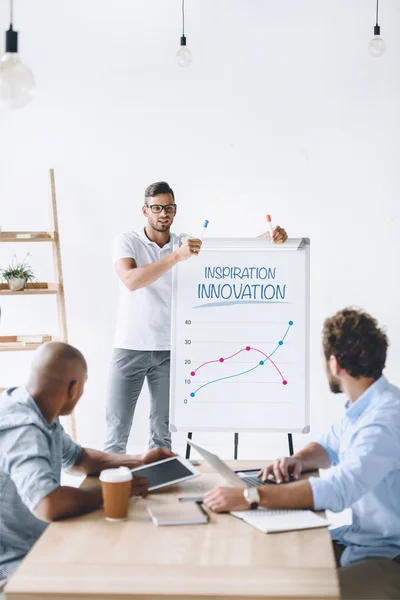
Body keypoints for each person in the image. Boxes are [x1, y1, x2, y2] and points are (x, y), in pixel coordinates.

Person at [204, 308, 400, 600]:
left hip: (388, 557)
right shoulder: (366, 407)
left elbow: (339, 490)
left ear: (334, 363)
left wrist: (251, 497)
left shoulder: (385, 418)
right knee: (271, 566)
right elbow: (328, 447)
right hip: (360, 541)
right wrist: (298, 459)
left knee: (294, 591)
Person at [105, 181, 288, 454]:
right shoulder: (127, 241)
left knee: (162, 434)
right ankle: (110, 492)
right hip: (130, 346)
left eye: (168, 208)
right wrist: (175, 257)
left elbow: (225, 256)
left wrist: (266, 238)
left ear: (175, 211)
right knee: (117, 430)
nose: (162, 214)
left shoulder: (183, 243)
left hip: (169, 349)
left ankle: (158, 488)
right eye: (156, 208)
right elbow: (131, 280)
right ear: (145, 211)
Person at [0, 342, 174, 582]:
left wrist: (138, 459)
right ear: (73, 388)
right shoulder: (22, 429)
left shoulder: (32, 406)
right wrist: (113, 492)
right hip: (15, 565)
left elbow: (78, 459)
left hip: (42, 542)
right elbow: (48, 503)